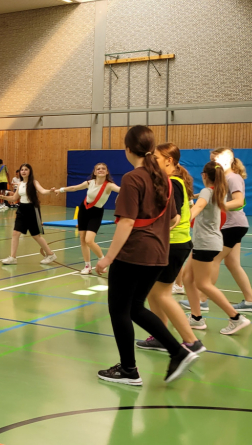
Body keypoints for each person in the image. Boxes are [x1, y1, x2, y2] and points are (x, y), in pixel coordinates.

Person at [93, 125, 198, 386]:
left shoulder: (133, 178)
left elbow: (127, 222)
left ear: (128, 149)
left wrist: (108, 257)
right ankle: (177, 351)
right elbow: (173, 219)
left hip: (133, 254)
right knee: (135, 308)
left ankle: (129, 370)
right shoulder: (165, 179)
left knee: (119, 310)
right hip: (159, 254)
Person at [136, 143, 205, 354]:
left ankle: (191, 341)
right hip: (172, 244)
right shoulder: (173, 181)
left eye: (156, 158)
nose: (153, 161)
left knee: (162, 295)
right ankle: (160, 336)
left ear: (169, 160)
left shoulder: (172, 183)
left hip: (173, 244)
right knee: (153, 293)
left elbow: (172, 218)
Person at [182, 148, 252, 314]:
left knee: (214, 260)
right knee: (233, 264)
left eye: (215, 160)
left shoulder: (233, 178)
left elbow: (238, 201)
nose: (213, 163)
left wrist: (217, 206)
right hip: (233, 225)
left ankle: (202, 300)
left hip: (232, 225)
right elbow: (212, 195)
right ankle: (251, 301)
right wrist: (196, 197)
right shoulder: (223, 180)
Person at [55, 163, 121, 274]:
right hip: (84, 210)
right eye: (98, 169)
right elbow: (74, 187)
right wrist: (61, 190)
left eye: (103, 169)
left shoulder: (110, 185)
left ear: (107, 172)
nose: (100, 170)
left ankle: (102, 260)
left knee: (89, 240)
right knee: (83, 239)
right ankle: (87, 266)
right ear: (94, 172)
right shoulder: (90, 183)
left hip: (96, 213)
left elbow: (121, 190)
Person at [0, 164, 56, 265]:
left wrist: (50, 191)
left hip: (32, 210)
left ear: (30, 171)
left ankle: (50, 254)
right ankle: (12, 257)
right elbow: (14, 198)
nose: (23, 171)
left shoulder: (34, 182)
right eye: (22, 170)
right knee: (15, 233)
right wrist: (3, 197)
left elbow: (43, 191)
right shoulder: (20, 184)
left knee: (36, 235)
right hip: (21, 209)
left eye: (26, 169)